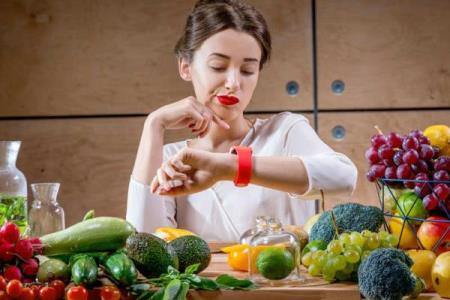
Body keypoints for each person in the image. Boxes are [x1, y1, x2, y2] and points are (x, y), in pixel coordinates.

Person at [126, 0, 357, 242]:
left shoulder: (285, 132)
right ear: (186, 67)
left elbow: (344, 177)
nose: (234, 82)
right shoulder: (171, 161)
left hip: (286, 281)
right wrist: (153, 124)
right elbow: (143, 245)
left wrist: (229, 168)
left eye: (247, 70)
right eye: (218, 66)